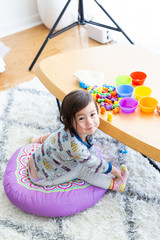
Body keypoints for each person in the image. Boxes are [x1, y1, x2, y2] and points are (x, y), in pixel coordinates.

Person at [28, 89, 128, 191]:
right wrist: (112, 169)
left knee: (53, 136)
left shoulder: (66, 130)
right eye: (81, 118)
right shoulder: (76, 148)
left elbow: (89, 146)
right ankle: (114, 185)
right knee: (82, 170)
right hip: (42, 178)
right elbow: (93, 164)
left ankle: (38, 139)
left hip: (33, 160)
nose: (89, 122)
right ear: (69, 121)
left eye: (92, 114)